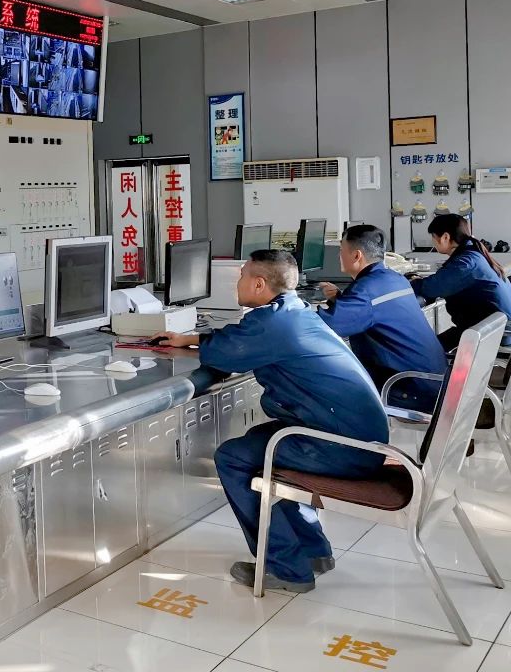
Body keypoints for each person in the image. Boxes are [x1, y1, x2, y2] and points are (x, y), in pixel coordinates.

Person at [157, 250, 388, 593]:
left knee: (235, 458)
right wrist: (192, 339)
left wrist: (193, 342)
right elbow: (237, 339)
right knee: (258, 444)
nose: (237, 282)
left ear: (259, 284)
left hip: (341, 446)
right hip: (356, 437)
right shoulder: (294, 312)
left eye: (242, 275)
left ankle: (287, 568)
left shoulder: (272, 323)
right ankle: (313, 551)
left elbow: (225, 352)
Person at [315, 225, 448, 412]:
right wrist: (340, 299)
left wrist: (289, 306)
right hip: (433, 383)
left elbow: (323, 327)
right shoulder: (395, 279)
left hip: (409, 390)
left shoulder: (365, 291)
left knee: (321, 388)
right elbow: (371, 309)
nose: (339, 255)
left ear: (356, 256)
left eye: (341, 250)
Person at [410, 214, 511, 351]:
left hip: (490, 333)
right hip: (491, 328)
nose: (433, 242)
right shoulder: (474, 254)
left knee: (421, 351)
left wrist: (408, 282)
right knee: (428, 346)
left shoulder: (466, 263)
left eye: (433, 237)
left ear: (445, 237)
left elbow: (431, 288)